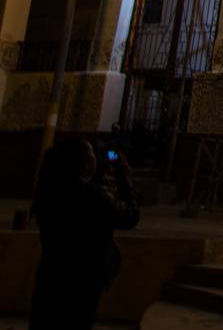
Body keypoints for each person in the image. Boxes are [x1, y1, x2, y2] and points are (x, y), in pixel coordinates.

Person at [30, 139, 140, 330]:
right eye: (91, 155)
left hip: (51, 273)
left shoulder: (48, 191)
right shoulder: (96, 197)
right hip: (84, 280)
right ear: (84, 163)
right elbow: (130, 216)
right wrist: (124, 179)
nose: (96, 158)